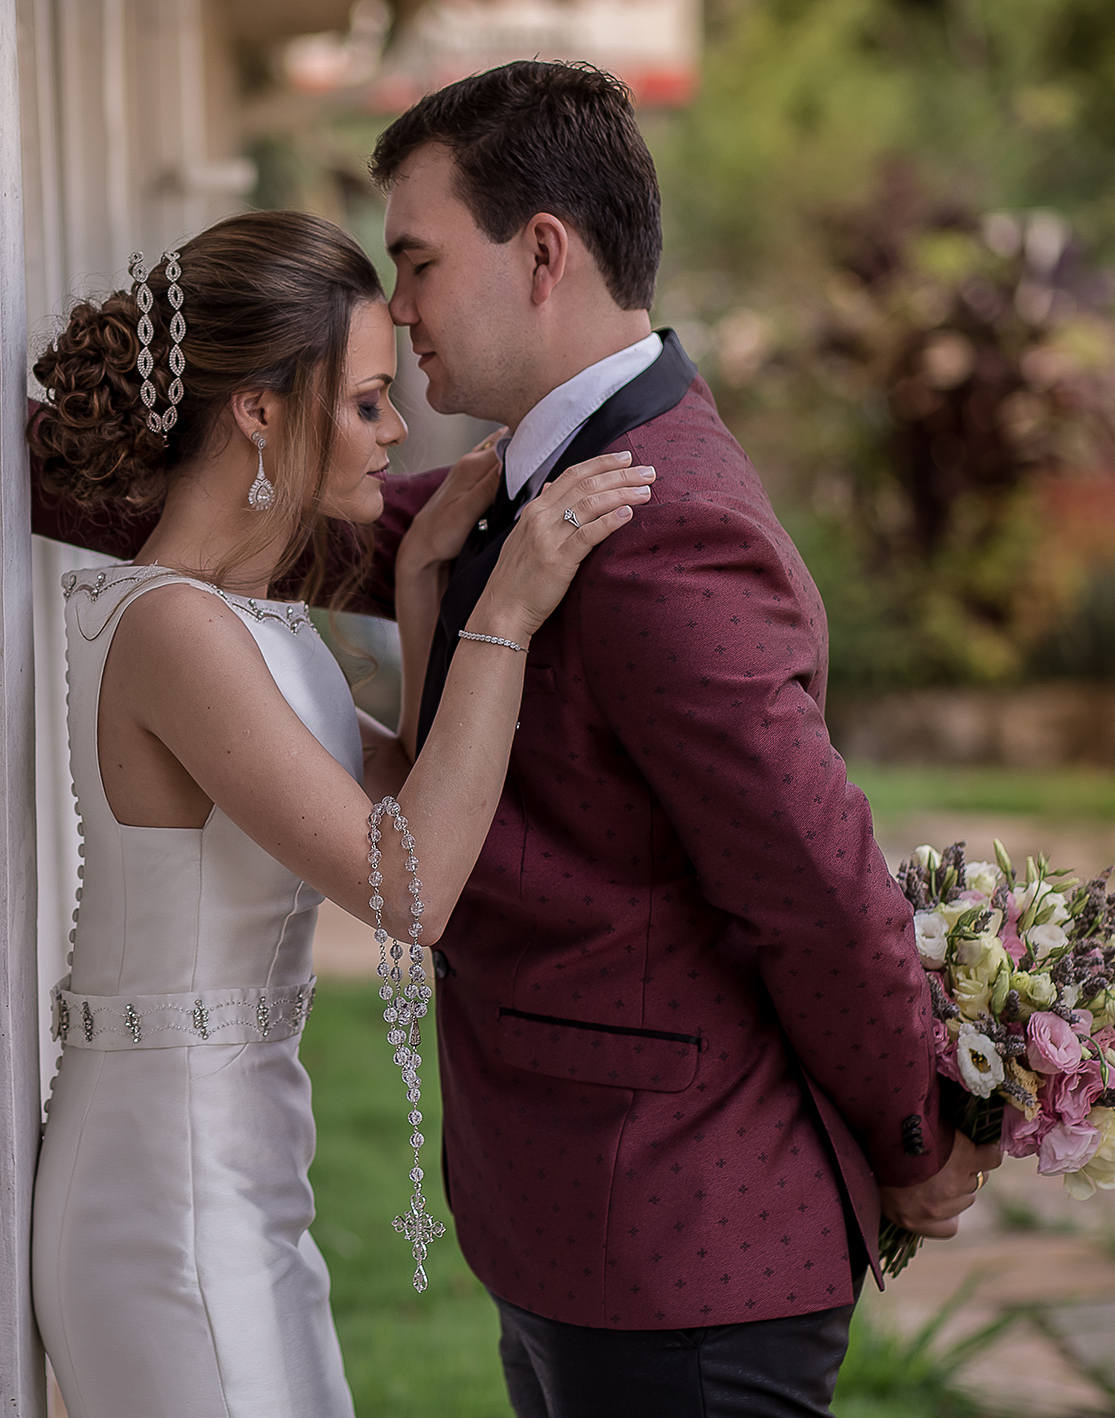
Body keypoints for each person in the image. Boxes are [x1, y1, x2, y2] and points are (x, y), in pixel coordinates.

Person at [31, 63, 1000, 1418]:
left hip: (682, 1245)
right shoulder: (503, 489)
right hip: (553, 1220)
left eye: (418, 262)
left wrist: (915, 1125)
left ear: (542, 254)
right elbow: (239, 513)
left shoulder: (663, 519)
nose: (400, 306)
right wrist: (93, 431)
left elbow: (815, 882)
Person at [25, 208, 652, 1418]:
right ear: (260, 410)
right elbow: (409, 884)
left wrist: (418, 586)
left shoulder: (245, 619)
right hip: (170, 1195)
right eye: (367, 401)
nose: (397, 428)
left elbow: (408, 794)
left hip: (237, 1165)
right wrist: (504, 614)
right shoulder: (172, 626)